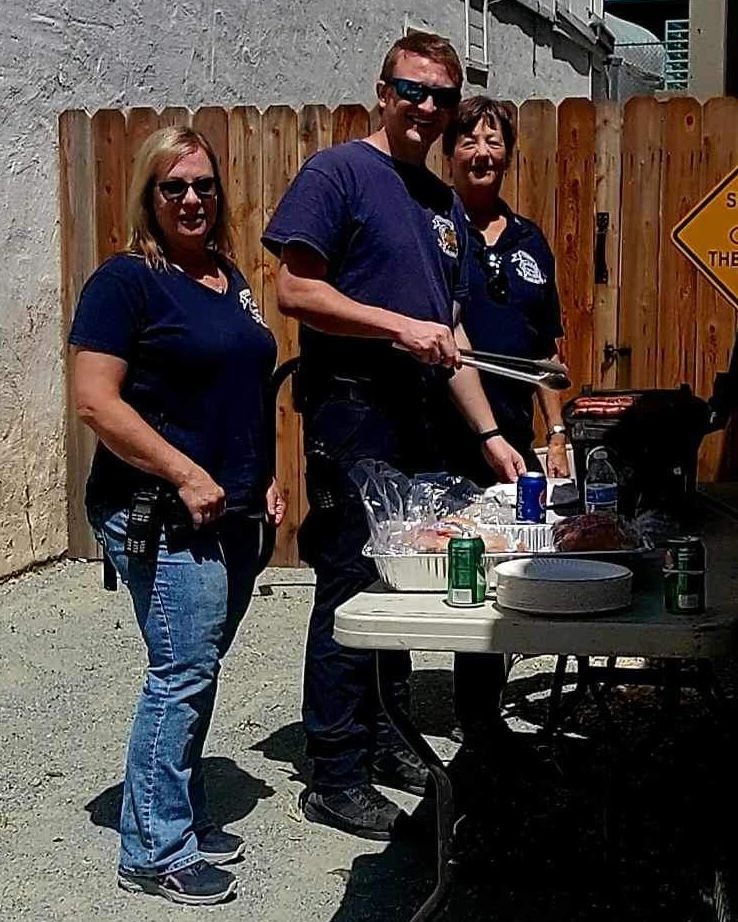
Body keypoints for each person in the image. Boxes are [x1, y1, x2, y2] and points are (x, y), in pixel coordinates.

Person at [263, 33, 525, 841]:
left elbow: (445, 335)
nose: (427, 109)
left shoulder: (440, 205)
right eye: (413, 91)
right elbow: (294, 288)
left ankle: (386, 738)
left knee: (403, 584)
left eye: (442, 97)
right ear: (383, 91)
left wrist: (488, 435)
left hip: (418, 417)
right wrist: (396, 328)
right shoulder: (339, 173)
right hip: (353, 409)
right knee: (349, 583)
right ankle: (334, 769)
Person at [69, 126, 285, 906]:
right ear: (148, 197)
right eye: (173, 187)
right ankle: (154, 849)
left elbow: (246, 383)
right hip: (160, 511)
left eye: (203, 185)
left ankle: (174, 808)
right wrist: (186, 472)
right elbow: (96, 401)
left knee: (198, 667)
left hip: (230, 511)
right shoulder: (126, 283)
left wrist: (262, 476)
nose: (192, 199)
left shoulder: (227, 276)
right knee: (180, 673)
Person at [443, 96, 569, 750]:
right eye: (470, 142)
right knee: (423, 579)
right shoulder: (434, 230)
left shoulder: (530, 242)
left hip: (512, 443)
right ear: (451, 152)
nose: (483, 154)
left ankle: (480, 717)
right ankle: (385, 722)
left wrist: (555, 433)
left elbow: (547, 349)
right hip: (440, 436)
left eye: (494, 142)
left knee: (502, 574)